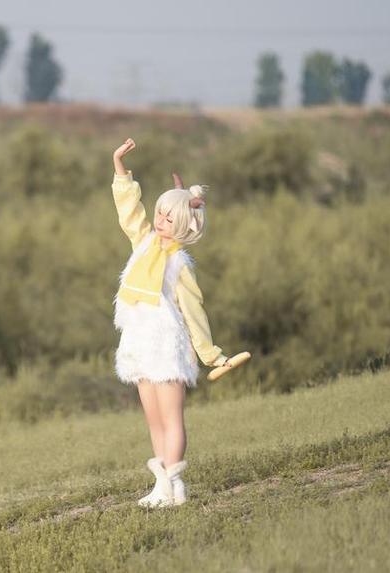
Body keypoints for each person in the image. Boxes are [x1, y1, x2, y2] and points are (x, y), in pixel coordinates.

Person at [111, 137, 243, 508]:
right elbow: (129, 210)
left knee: (171, 419)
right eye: (161, 213)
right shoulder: (144, 242)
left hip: (167, 345)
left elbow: (194, 311)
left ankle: (175, 484)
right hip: (138, 343)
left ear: (186, 224)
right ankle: (162, 487)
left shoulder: (179, 264)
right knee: (153, 419)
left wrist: (211, 354)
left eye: (170, 218)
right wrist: (120, 167)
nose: (161, 221)